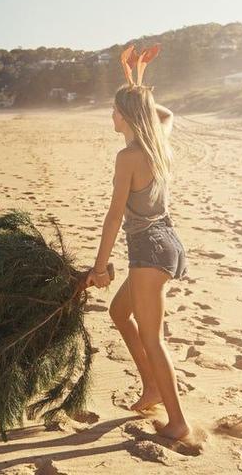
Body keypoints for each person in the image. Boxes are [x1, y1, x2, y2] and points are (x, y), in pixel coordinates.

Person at [86, 45, 192, 442]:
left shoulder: (129, 156)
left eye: (115, 110)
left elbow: (114, 216)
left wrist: (99, 268)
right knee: (119, 313)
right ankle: (150, 387)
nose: (110, 116)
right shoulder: (157, 144)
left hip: (149, 250)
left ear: (126, 116)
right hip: (166, 242)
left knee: (152, 337)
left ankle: (179, 421)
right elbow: (164, 115)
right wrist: (137, 84)